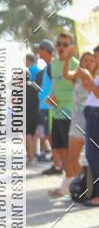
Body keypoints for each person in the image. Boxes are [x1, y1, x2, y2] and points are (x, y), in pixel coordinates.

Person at [51, 49, 98, 197]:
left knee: (91, 156)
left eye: (92, 60)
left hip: (92, 118)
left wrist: (89, 79)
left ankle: (85, 187)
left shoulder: (95, 77)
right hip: (77, 118)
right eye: (85, 60)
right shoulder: (78, 75)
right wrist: (68, 58)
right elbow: (66, 74)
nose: (88, 62)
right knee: (73, 156)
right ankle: (81, 183)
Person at [46, 32, 78, 185]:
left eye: (65, 45)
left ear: (71, 47)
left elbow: (78, 90)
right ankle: (70, 180)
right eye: (59, 44)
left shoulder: (75, 64)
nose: (61, 47)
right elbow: (55, 86)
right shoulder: (53, 64)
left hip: (70, 112)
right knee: (59, 149)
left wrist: (60, 97)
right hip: (56, 112)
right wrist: (51, 96)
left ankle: (76, 182)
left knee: (71, 151)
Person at [79, 59, 99, 204]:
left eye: (96, 55)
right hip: (92, 113)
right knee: (92, 154)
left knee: (93, 154)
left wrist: (89, 76)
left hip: (96, 114)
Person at [35, 40, 54, 167]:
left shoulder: (52, 66)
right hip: (44, 106)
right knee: (47, 133)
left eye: (40, 50)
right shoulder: (47, 67)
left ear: (46, 50)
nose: (38, 53)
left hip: (49, 107)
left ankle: (57, 159)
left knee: (49, 133)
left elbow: (57, 85)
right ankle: (56, 158)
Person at [25, 69, 40, 166]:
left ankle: (30, 157)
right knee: (34, 135)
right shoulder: (35, 86)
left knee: (27, 135)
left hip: (26, 115)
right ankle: (33, 155)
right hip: (36, 113)